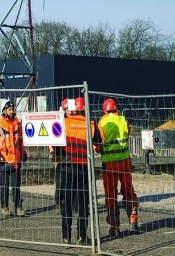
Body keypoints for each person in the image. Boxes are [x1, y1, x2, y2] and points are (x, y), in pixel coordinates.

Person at [59, 96, 99, 246]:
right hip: (83, 168)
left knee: (67, 203)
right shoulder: (91, 124)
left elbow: (56, 145)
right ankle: (82, 237)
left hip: (66, 168)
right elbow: (98, 144)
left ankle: (66, 238)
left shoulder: (63, 123)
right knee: (83, 205)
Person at [98, 98, 139, 237]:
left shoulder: (102, 123)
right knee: (128, 189)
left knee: (111, 193)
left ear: (104, 110)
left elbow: (98, 145)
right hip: (125, 161)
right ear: (116, 109)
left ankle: (114, 227)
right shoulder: (123, 120)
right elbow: (128, 132)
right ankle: (133, 219)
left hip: (109, 163)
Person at [0, 99, 25, 217]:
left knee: (16, 187)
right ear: (4, 110)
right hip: (3, 161)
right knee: (4, 187)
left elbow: (21, 141)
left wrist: (24, 153)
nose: (12, 111)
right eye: (9, 109)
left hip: (15, 161)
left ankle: (18, 207)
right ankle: (4, 207)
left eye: (12, 109)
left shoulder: (17, 124)